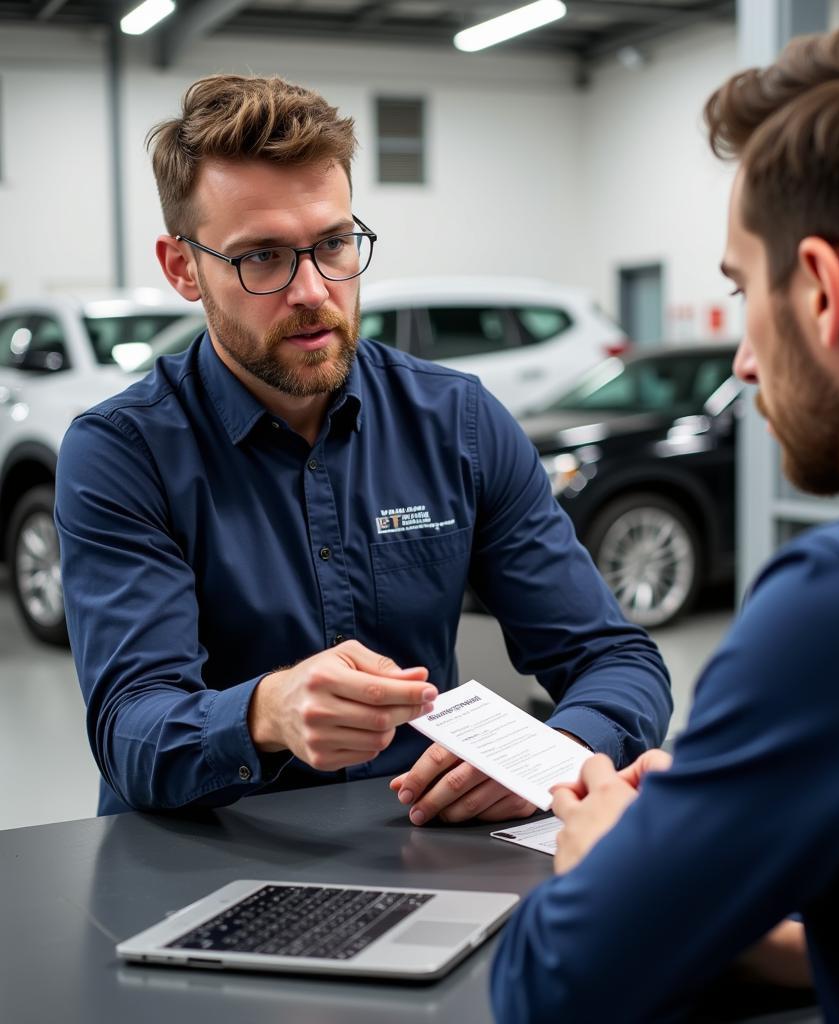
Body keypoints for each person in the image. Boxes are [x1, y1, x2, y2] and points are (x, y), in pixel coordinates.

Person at [490, 8, 839, 1022]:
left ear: (822, 291)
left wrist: (602, 855)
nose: (742, 356)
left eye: (744, 292)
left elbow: (553, 988)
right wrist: (800, 940)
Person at [54, 74, 671, 821]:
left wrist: (553, 760)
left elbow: (617, 661)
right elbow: (131, 732)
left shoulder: (459, 423)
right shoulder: (123, 454)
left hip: (420, 842)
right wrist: (264, 713)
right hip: (201, 862)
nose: (312, 289)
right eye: (262, 259)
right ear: (183, 266)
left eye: (335, 244)